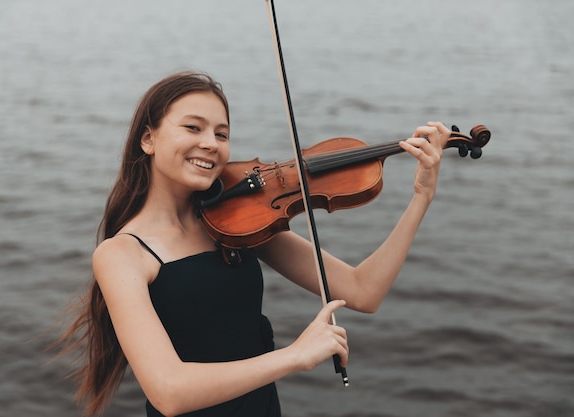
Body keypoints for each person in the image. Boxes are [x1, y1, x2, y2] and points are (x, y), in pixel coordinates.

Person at [59, 71, 451, 417]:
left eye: (222, 133)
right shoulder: (122, 254)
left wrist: (421, 197)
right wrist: (294, 356)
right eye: (193, 128)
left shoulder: (239, 223)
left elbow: (363, 291)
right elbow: (168, 392)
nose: (211, 144)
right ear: (149, 139)